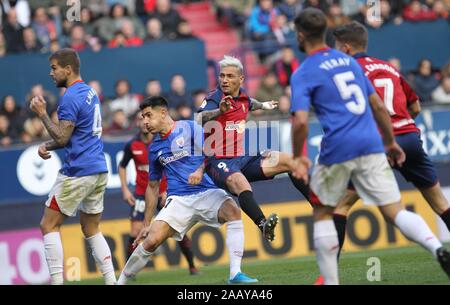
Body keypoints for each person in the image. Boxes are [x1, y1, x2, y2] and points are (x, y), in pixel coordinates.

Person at [289, 8, 450, 285]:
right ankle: (438, 249)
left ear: (301, 35)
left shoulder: (305, 71)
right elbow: (383, 106)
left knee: (327, 210)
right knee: (399, 210)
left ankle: (329, 280)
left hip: (340, 146)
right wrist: (390, 142)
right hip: (381, 142)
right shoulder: (349, 62)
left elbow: (301, 121)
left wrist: (297, 158)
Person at [117, 96, 257, 284]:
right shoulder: (155, 148)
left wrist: (200, 170)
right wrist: (146, 223)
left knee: (233, 211)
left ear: (163, 113)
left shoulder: (190, 128)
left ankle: (235, 274)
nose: (145, 122)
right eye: (143, 117)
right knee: (150, 240)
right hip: (179, 200)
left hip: (207, 191)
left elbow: (211, 152)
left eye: (149, 115)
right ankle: (120, 282)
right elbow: (152, 186)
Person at [197, 55, 310, 242]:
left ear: (240, 79)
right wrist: (219, 112)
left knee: (289, 161)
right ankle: (263, 225)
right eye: (222, 76)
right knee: (242, 183)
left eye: (230, 76)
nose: (224, 80)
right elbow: (199, 119)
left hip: (242, 159)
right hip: (219, 161)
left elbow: (250, 103)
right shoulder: (215, 98)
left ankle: (317, 204)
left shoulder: (242, 97)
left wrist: (264, 105)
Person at [29, 48, 116, 285]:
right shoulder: (89, 92)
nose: (51, 73)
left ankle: (57, 283)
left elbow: (64, 137)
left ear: (68, 69)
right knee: (91, 227)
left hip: (78, 172)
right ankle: (112, 281)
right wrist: (47, 144)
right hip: (99, 169)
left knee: (48, 225)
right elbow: (77, 134)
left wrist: (42, 114)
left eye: (54, 68)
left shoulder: (70, 97)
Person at [118, 111, 199, 275]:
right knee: (135, 232)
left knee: (177, 229)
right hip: (142, 193)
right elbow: (122, 165)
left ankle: (192, 265)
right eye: (141, 119)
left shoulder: (162, 141)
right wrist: (125, 190)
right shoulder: (132, 145)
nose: (144, 123)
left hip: (164, 192)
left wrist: (167, 191)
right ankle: (129, 272)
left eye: (147, 118)